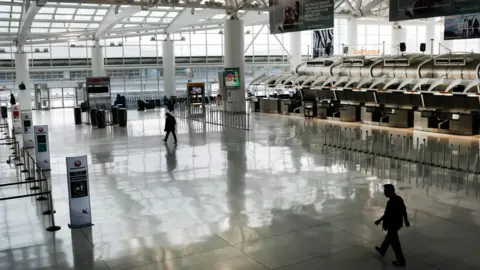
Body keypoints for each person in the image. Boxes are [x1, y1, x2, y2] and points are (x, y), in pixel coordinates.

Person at [374, 184, 410, 267]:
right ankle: (382, 250)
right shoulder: (399, 199)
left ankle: (401, 261)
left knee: (395, 244)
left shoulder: (391, 202)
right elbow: (404, 210)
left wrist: (379, 220)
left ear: (392, 191)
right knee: (389, 237)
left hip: (393, 224)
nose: (385, 193)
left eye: (387, 191)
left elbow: (387, 214)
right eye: (384, 191)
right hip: (397, 223)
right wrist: (406, 220)